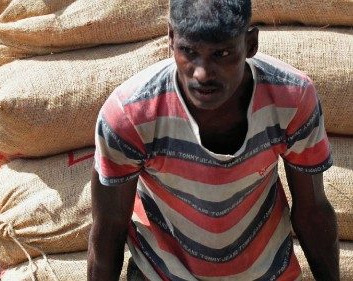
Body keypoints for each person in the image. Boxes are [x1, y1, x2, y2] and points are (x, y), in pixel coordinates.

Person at [87, 0, 340, 280]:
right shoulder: (130, 114)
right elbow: (109, 228)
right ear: (170, 39)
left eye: (221, 53)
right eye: (189, 51)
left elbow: (313, 212)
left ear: (251, 44)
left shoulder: (291, 97)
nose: (203, 73)